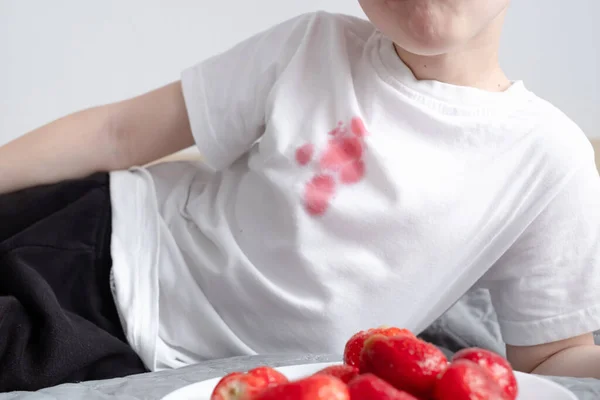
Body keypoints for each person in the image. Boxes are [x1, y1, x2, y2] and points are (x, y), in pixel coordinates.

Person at [1, 0, 600, 392]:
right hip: (105, 236)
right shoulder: (315, 43)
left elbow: (551, 356)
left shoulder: (550, 157)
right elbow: (121, 131)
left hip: (147, 358)